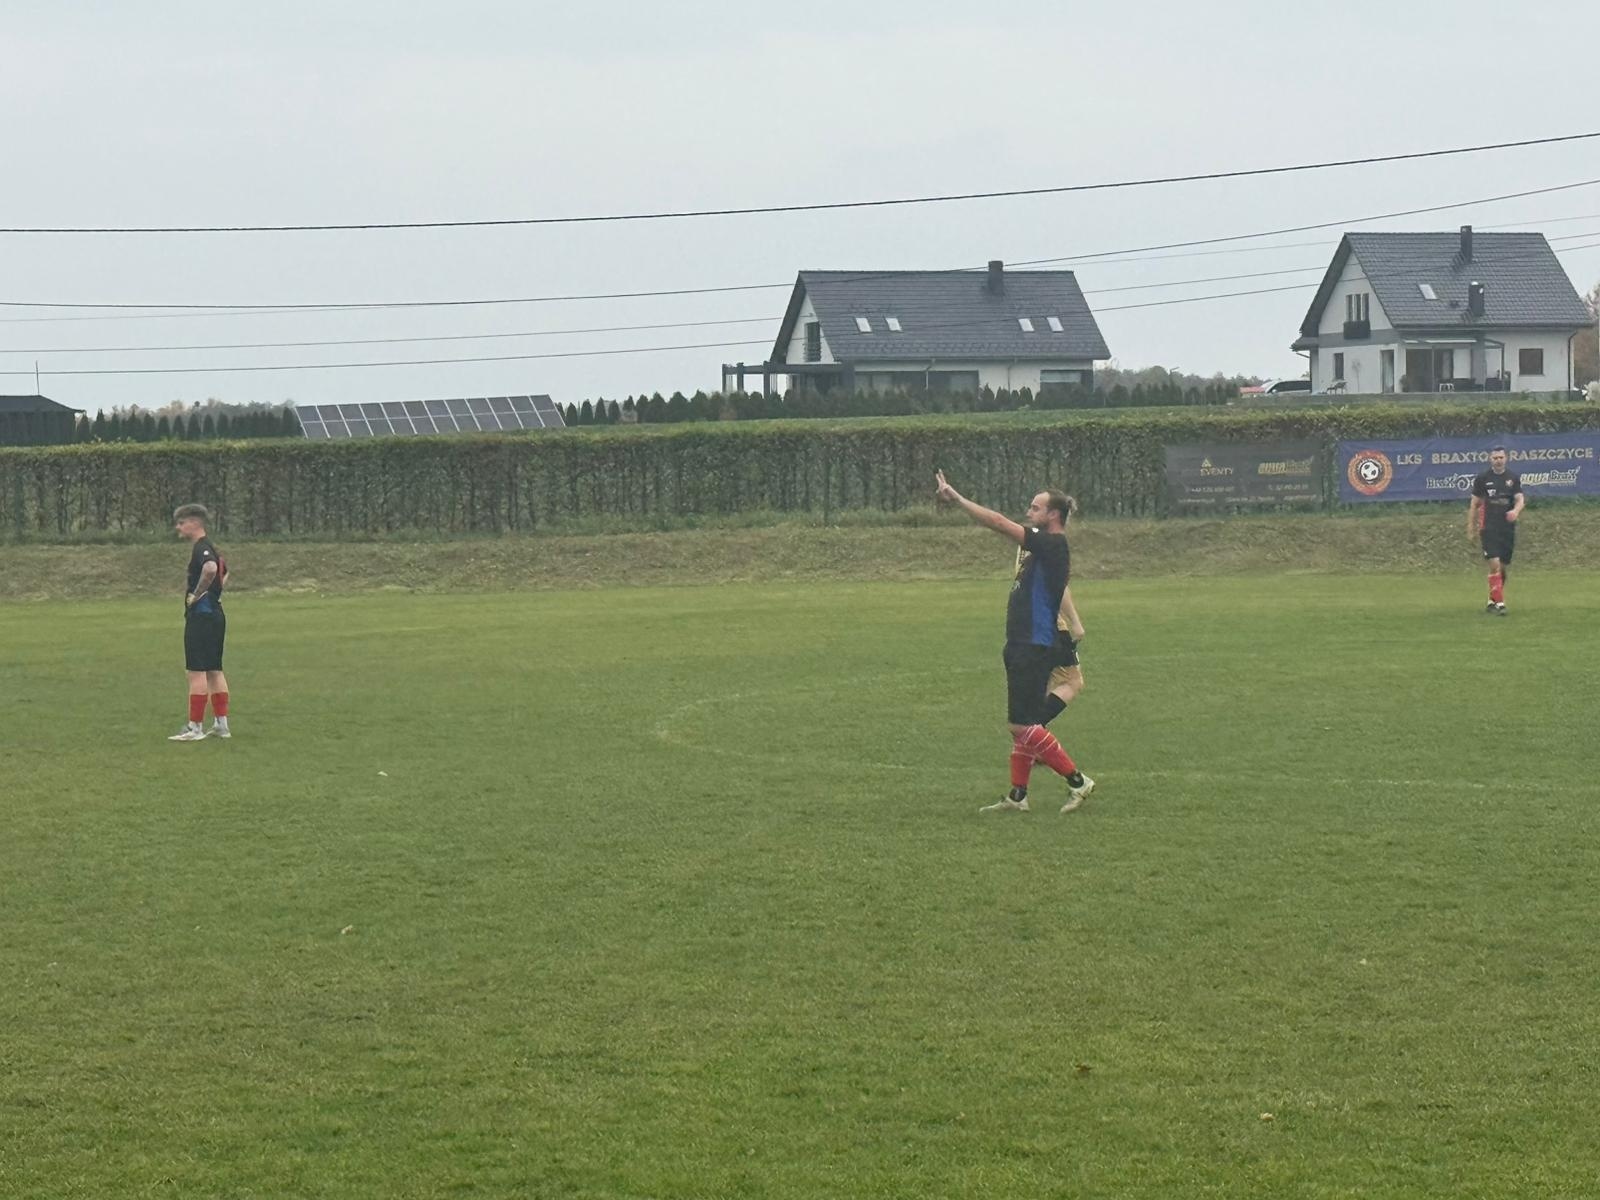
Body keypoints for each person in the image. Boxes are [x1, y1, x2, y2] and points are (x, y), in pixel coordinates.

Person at [935, 470, 1094, 814]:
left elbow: (997, 522)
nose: (1028, 512)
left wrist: (958, 498)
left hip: (1033, 643)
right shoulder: (1043, 547)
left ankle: (1078, 781)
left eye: (1036, 508)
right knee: (1024, 724)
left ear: (1053, 515)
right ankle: (1018, 797)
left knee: (1022, 725)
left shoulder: (1051, 544)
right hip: (1021, 641)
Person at [168, 503, 233, 741]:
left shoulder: (201, 548)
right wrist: (215, 593)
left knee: (196, 672)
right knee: (214, 670)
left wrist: (197, 595)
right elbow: (225, 572)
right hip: (216, 615)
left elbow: (211, 569)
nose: (178, 528)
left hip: (201, 616)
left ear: (195, 523)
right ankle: (221, 725)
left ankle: (194, 728)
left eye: (181, 523)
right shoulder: (212, 547)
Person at [1468, 446, 1524, 616]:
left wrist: (1515, 511)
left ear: (1506, 458)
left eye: (1501, 457)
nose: (1498, 460)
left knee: (1503, 568)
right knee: (1494, 564)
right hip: (1489, 527)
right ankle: (1500, 603)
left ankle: (1491, 600)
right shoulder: (1483, 478)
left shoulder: (1512, 478)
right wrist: (1471, 527)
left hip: (1506, 528)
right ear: (1490, 459)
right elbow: (1474, 504)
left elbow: (1520, 499)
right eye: (1495, 458)